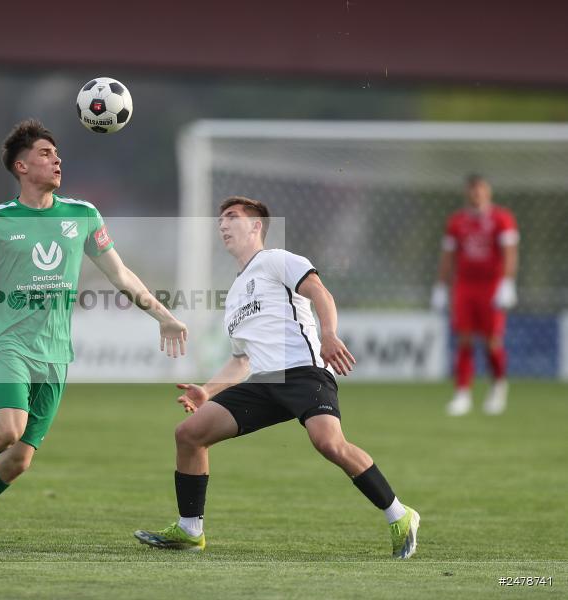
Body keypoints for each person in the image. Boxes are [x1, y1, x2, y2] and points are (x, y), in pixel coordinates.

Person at [0, 119, 188, 550]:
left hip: (55, 353)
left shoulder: (83, 215)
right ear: (20, 166)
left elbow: (122, 276)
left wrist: (163, 315)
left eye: (57, 154)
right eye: (44, 153)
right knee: (6, 432)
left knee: (18, 461)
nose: (56, 160)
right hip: (9, 343)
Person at [133, 197, 420, 559]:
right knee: (189, 435)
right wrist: (206, 390)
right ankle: (190, 530)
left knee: (328, 443)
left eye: (232, 217)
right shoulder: (235, 294)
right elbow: (242, 361)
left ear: (256, 227)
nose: (223, 225)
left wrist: (329, 333)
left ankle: (400, 514)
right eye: (220, 220)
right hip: (264, 383)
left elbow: (320, 292)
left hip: (303, 371)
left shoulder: (277, 260)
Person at [431, 174, 519, 416]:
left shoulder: (502, 218)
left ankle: (498, 386)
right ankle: (462, 393)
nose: (476, 194)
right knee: (464, 339)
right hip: (465, 287)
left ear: (488, 192)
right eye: (472, 190)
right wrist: (440, 286)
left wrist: (507, 283)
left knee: (492, 341)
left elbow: (510, 252)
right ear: (467, 193)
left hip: (491, 286)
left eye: (480, 190)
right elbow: (448, 256)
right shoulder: (457, 222)